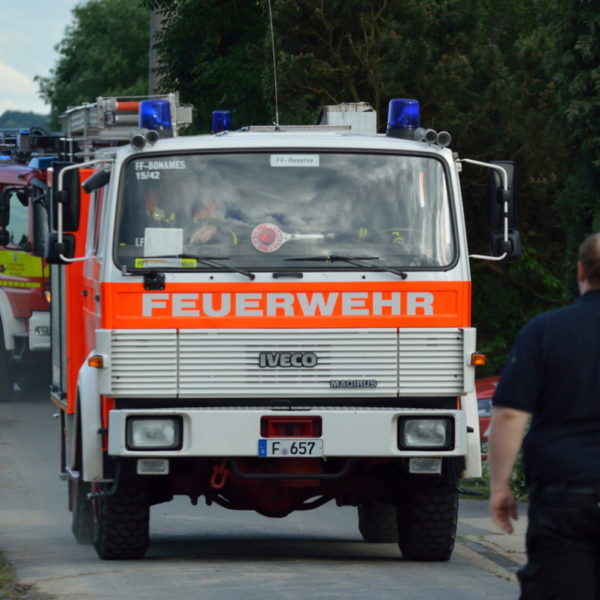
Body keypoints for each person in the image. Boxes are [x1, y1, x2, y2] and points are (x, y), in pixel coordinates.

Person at [488, 232, 600, 599]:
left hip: (565, 494)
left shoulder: (545, 330)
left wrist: (500, 485)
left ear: (580, 270)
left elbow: (508, 416)